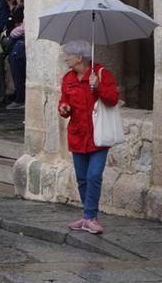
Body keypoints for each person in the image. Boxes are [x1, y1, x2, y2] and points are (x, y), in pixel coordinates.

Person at [59, 40, 119, 235]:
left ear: (79, 57)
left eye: (68, 55)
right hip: (77, 136)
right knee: (83, 179)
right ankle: (87, 216)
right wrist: (63, 108)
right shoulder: (68, 78)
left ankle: (90, 216)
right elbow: (64, 102)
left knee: (94, 176)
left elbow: (112, 99)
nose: (65, 57)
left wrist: (98, 86)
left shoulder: (101, 74)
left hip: (97, 135)